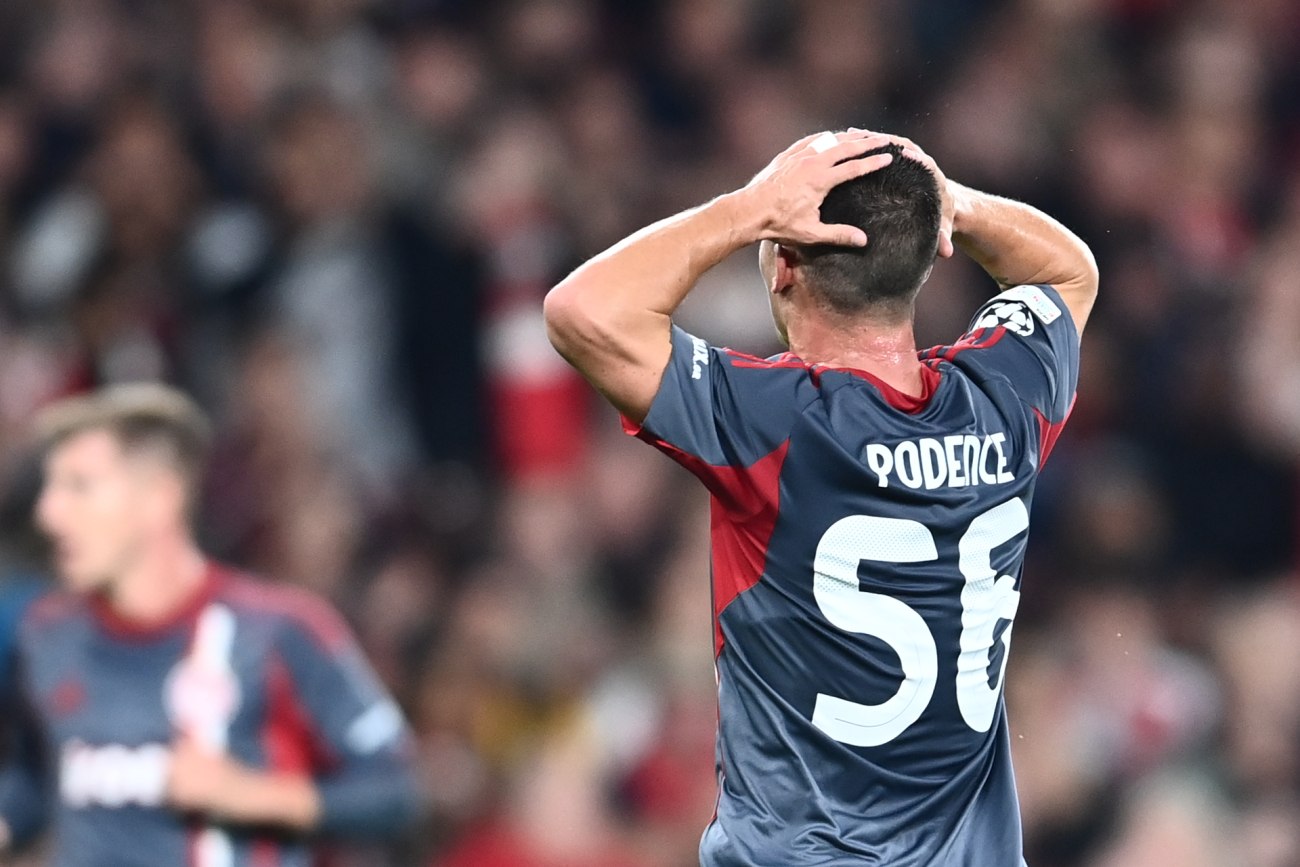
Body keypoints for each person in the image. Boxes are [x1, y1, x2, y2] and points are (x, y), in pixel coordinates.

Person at [544, 129, 1097, 865]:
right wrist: (953, 204)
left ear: (782, 266)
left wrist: (747, 209)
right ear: (925, 254)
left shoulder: (774, 421)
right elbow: (1069, 274)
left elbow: (582, 311)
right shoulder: (1004, 396)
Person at [0, 384, 423, 865]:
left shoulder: (278, 632)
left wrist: (251, 794)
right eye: (51, 488)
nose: (49, 513)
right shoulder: (45, 634)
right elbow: (37, 774)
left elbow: (395, 791)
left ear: (160, 497)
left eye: (79, 486)